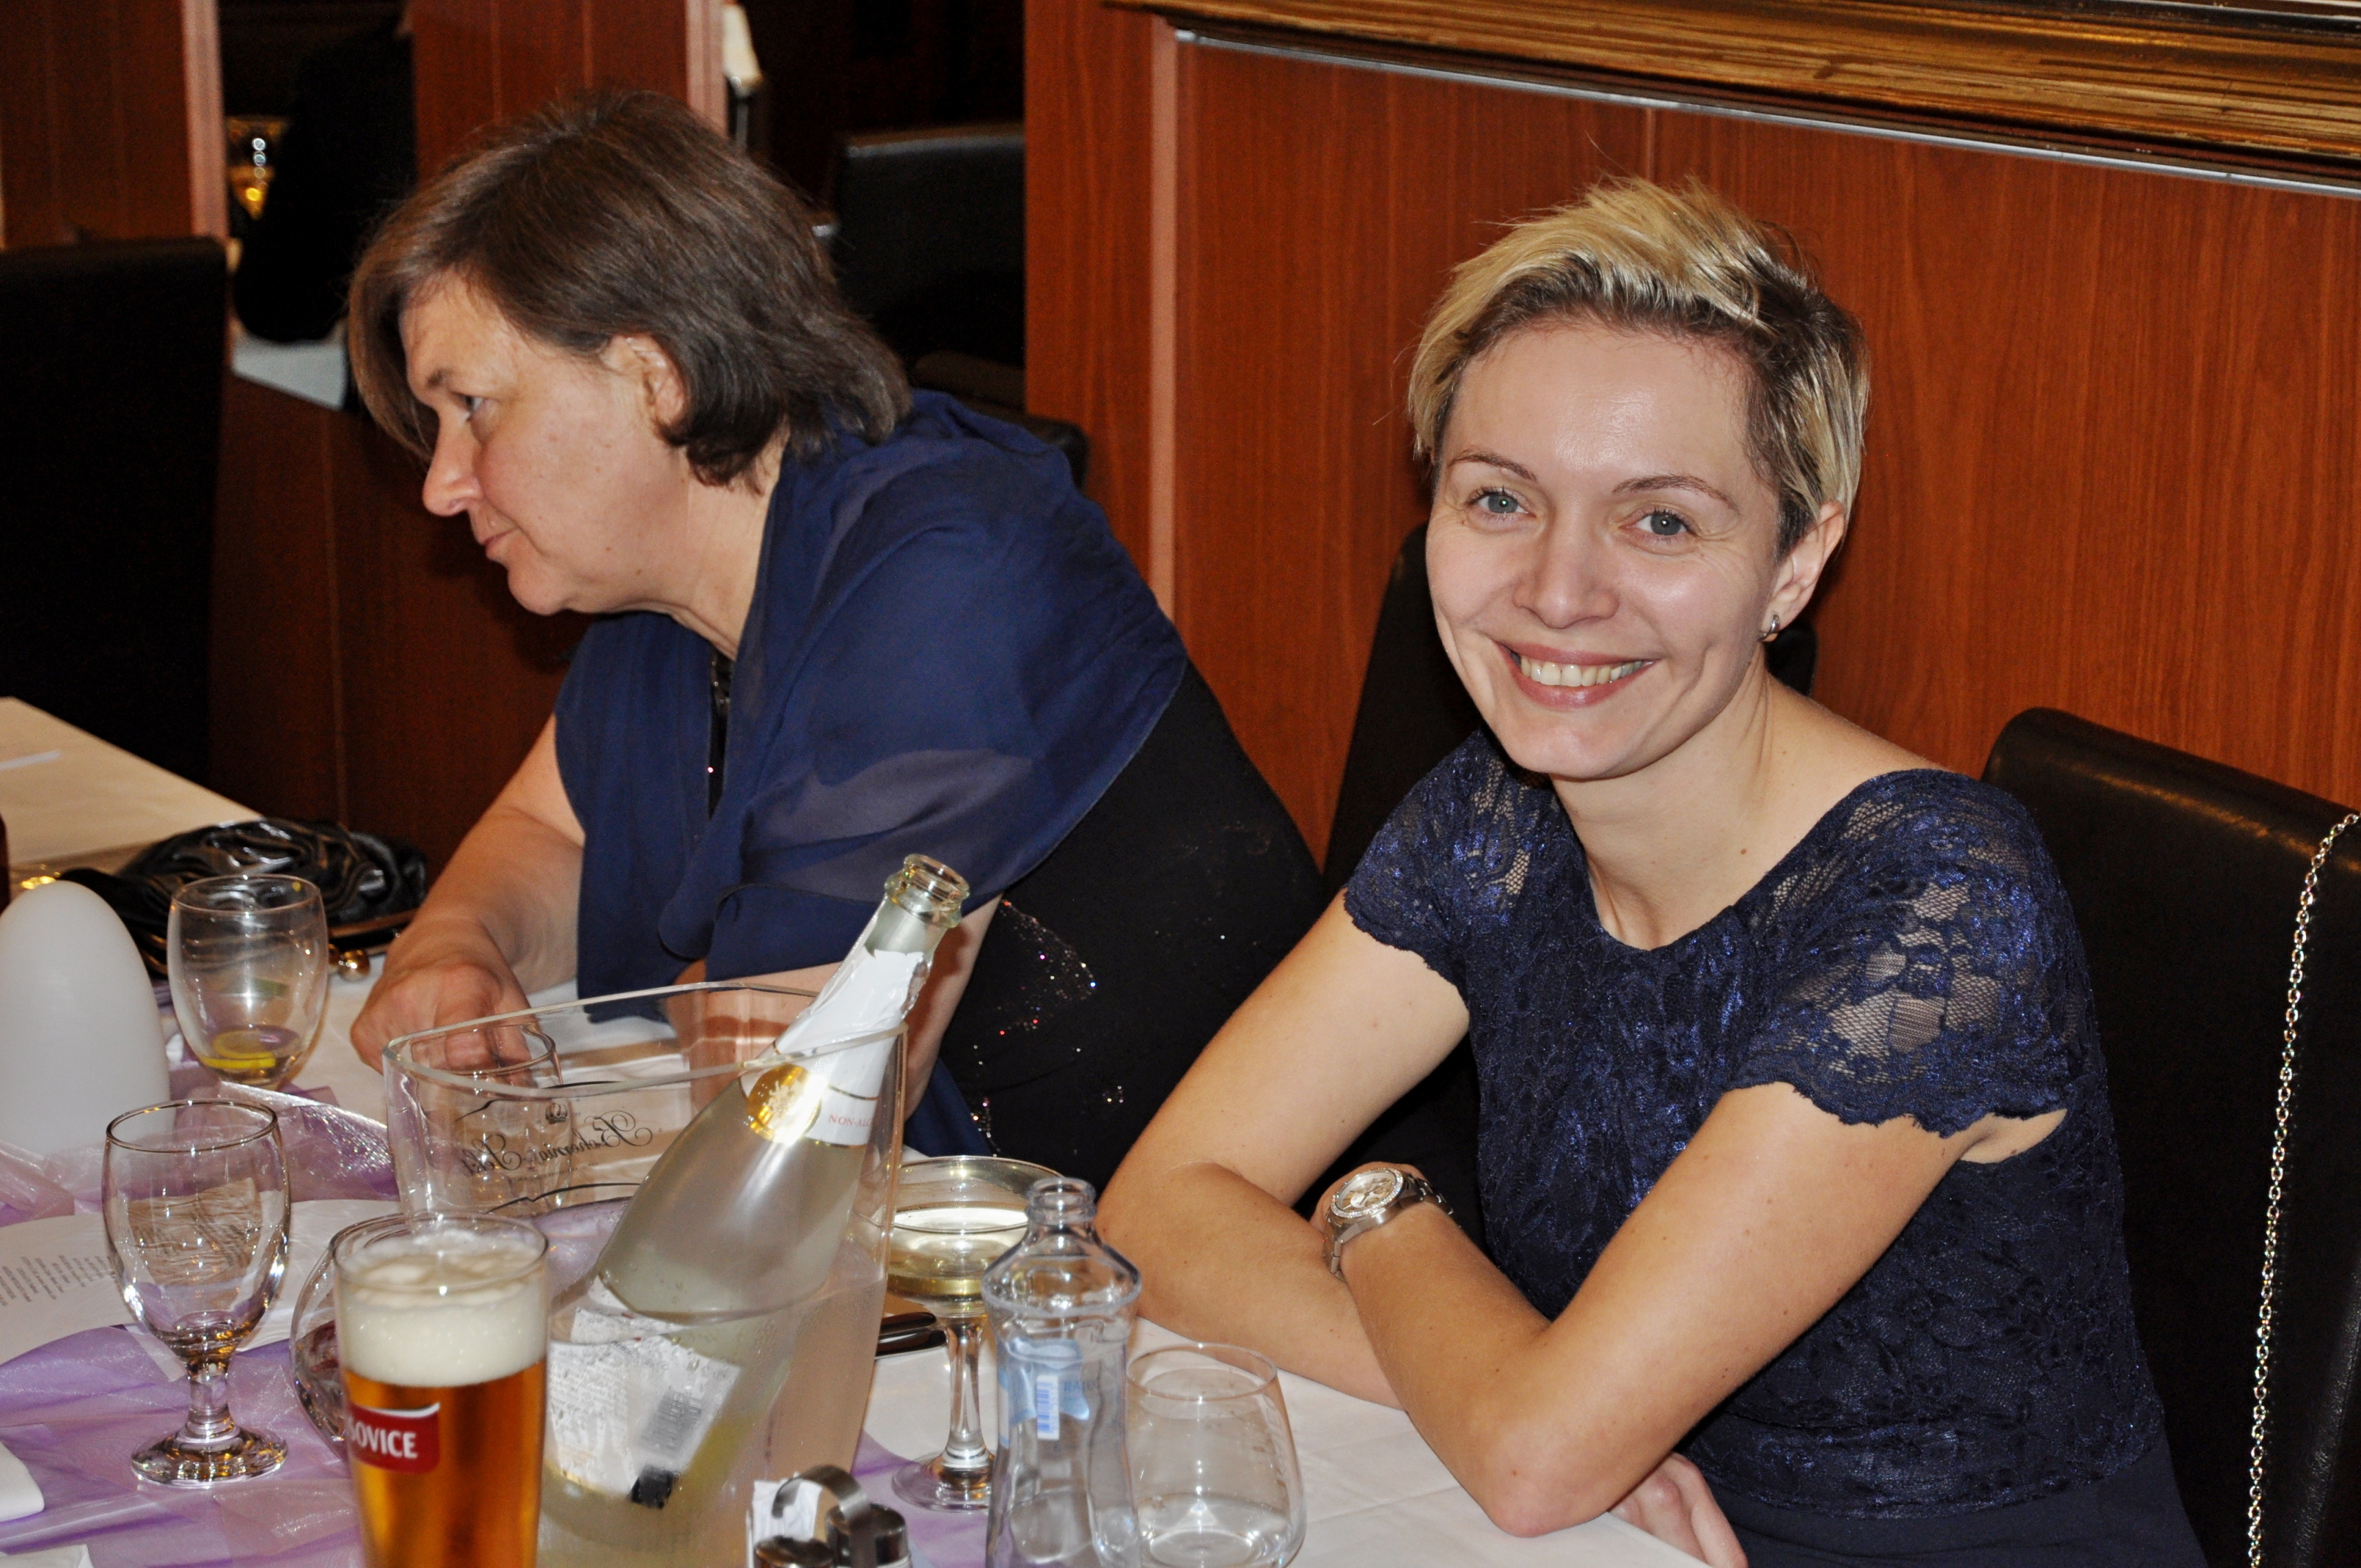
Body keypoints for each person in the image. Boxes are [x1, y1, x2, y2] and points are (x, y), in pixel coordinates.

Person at [1098, 179, 2206, 1567]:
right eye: (1498, 498)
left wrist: (1384, 1217)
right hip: (1608, 1528)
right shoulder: (1494, 820)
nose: (1558, 590)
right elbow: (1157, 1205)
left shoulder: (1934, 900)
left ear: (1795, 560)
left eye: (1660, 522)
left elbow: (1538, 1455)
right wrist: (1501, 1396)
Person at [343, 91, 1323, 1187]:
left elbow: (802, 1106)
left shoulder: (953, 567)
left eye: (473, 406)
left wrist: (695, 1016)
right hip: (933, 1237)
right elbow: (550, 834)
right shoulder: (665, 594)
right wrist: (455, 943)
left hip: (1176, 1252)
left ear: (655, 377)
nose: (441, 484)